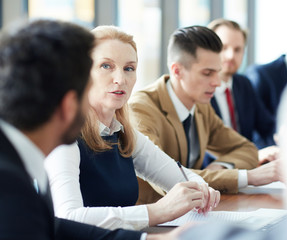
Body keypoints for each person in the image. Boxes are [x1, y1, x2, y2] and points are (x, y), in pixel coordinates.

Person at [0, 19, 176, 240]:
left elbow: (58, 226)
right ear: (69, 104)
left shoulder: (16, 160)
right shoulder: (8, 180)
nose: (119, 80)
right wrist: (153, 215)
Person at [44, 25, 220, 232]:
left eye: (129, 68)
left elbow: (180, 175)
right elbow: (69, 217)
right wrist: (156, 211)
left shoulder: (122, 134)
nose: (121, 79)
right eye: (106, 66)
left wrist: (202, 188)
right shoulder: (65, 140)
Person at [173, 57, 287, 240]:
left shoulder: (241, 86)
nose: (230, 57)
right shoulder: (197, 103)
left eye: (238, 49)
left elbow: (248, 146)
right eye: (207, 72)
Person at [129, 26, 282, 204]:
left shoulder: (201, 105)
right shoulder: (140, 109)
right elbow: (168, 180)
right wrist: (248, 177)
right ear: (177, 71)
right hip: (153, 220)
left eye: (218, 72)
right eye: (207, 73)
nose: (217, 83)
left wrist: (220, 167)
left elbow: (247, 149)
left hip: (194, 212)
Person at [208, 19, 276, 149]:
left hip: (247, 164)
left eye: (237, 49)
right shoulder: (198, 90)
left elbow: (268, 127)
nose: (230, 56)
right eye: (224, 47)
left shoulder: (244, 84)